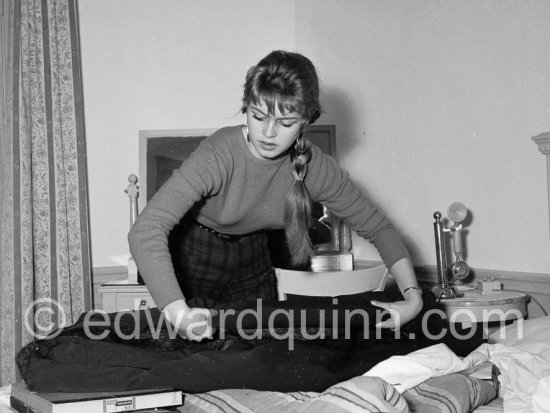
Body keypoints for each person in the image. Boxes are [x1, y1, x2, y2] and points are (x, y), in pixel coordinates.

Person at [128, 50, 423, 341]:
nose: (268, 133)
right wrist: (178, 312)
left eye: (285, 123)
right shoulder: (219, 153)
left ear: (305, 120)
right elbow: (146, 229)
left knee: (263, 351)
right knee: (189, 350)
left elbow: (379, 228)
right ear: (246, 108)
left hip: (254, 256)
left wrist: (413, 297)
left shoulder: (316, 167)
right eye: (258, 117)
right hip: (194, 252)